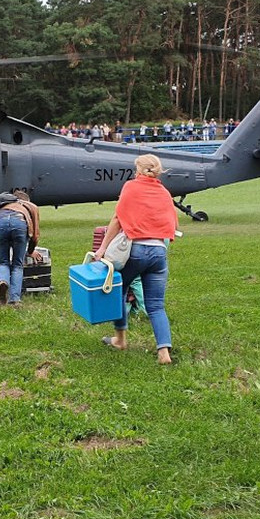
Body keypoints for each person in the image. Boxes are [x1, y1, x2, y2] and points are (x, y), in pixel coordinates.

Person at [96, 154, 179, 365]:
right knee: (156, 305)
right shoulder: (164, 193)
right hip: (159, 252)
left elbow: (117, 219)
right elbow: (172, 225)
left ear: (139, 170)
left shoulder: (131, 188)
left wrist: (103, 248)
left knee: (119, 292)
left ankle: (120, 340)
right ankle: (164, 353)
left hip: (136, 250)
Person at [0, 190, 41, 307]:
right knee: (17, 265)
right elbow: (35, 235)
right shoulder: (31, 206)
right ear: (27, 200)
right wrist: (30, 251)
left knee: (3, 262)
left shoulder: (4, 205)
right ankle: (14, 299)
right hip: (19, 222)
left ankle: (3, 281)